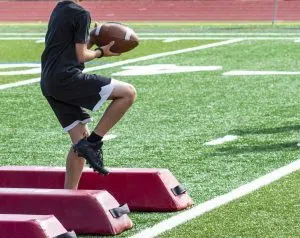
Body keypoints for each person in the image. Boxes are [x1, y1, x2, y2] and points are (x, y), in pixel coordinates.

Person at [40, 0, 136, 189]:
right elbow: (81, 56)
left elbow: (71, 50)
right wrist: (101, 52)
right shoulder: (82, 13)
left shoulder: (60, 8)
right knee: (128, 93)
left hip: (49, 81)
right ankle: (94, 142)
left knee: (79, 140)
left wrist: (91, 37)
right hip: (67, 78)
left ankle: (69, 195)